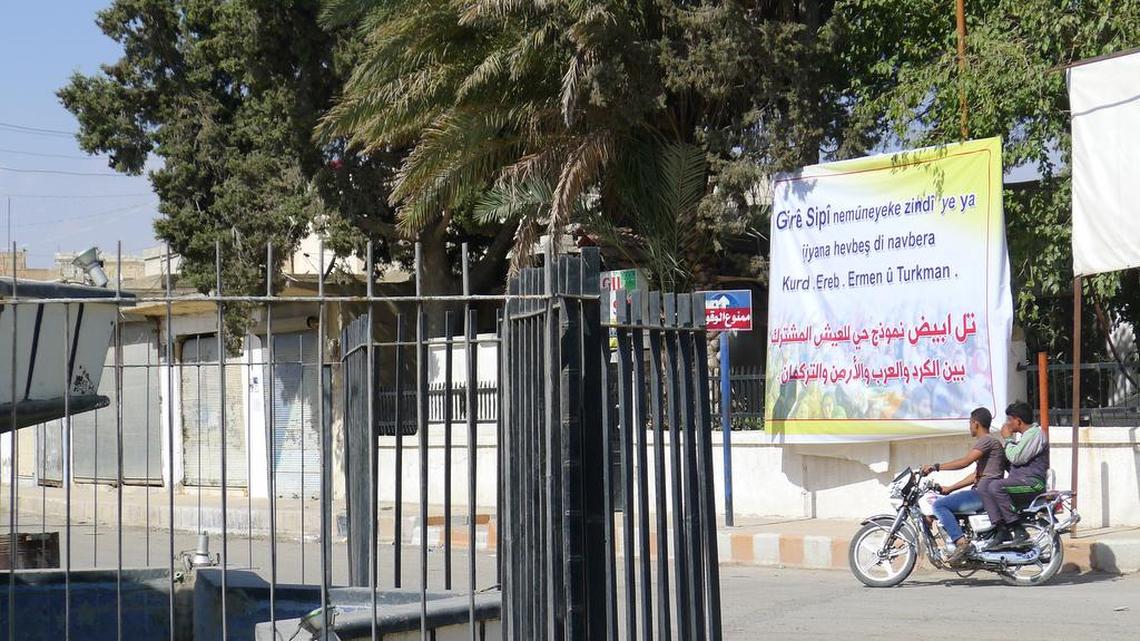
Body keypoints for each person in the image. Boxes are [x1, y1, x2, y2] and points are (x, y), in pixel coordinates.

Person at [920, 407, 1005, 563]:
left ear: (976, 424)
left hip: (982, 493)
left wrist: (935, 467)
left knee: (939, 506)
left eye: (970, 423)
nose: (969, 427)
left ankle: (961, 543)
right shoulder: (991, 442)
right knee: (944, 502)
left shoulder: (986, 441)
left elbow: (965, 462)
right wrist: (950, 488)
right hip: (983, 490)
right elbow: (975, 475)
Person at [979, 401, 1050, 549]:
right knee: (985, 487)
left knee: (997, 487)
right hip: (1020, 481)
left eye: (1009, 420)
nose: (1007, 424)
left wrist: (1008, 439)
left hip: (1032, 484)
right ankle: (1001, 529)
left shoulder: (1035, 434)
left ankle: (1017, 529)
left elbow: (1017, 457)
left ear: (1018, 421)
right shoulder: (1025, 437)